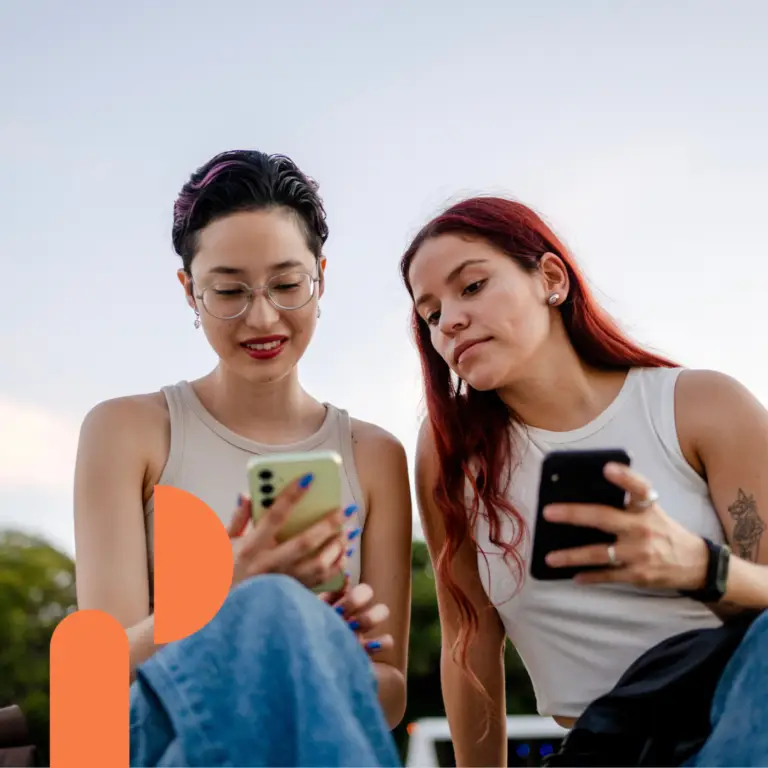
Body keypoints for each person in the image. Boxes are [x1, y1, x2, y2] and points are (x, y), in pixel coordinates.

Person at [401, 195, 768, 767]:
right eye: (430, 314)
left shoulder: (701, 406)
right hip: (602, 748)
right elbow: (467, 643)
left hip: (735, 722)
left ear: (550, 278)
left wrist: (699, 567)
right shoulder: (450, 453)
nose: (448, 322)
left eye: (471, 286)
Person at [73, 149, 412, 764]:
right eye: (228, 290)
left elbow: (390, 694)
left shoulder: (374, 455)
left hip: (305, 738)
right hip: (163, 739)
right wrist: (229, 594)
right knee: (269, 605)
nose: (261, 316)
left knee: (283, 619)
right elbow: (96, 680)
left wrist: (317, 650)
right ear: (189, 291)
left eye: (287, 285)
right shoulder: (128, 431)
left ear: (321, 278)